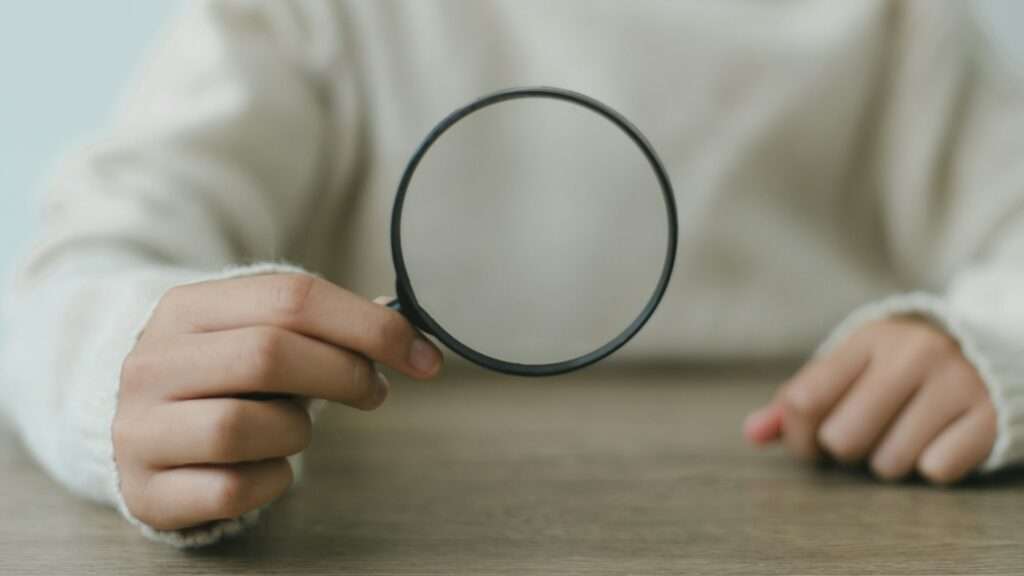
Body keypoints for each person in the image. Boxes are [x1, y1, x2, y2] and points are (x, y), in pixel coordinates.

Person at [1, 0, 1022, 548]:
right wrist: (123, 367)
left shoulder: (900, 22)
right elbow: (73, 268)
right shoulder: (302, 16)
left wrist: (988, 342)